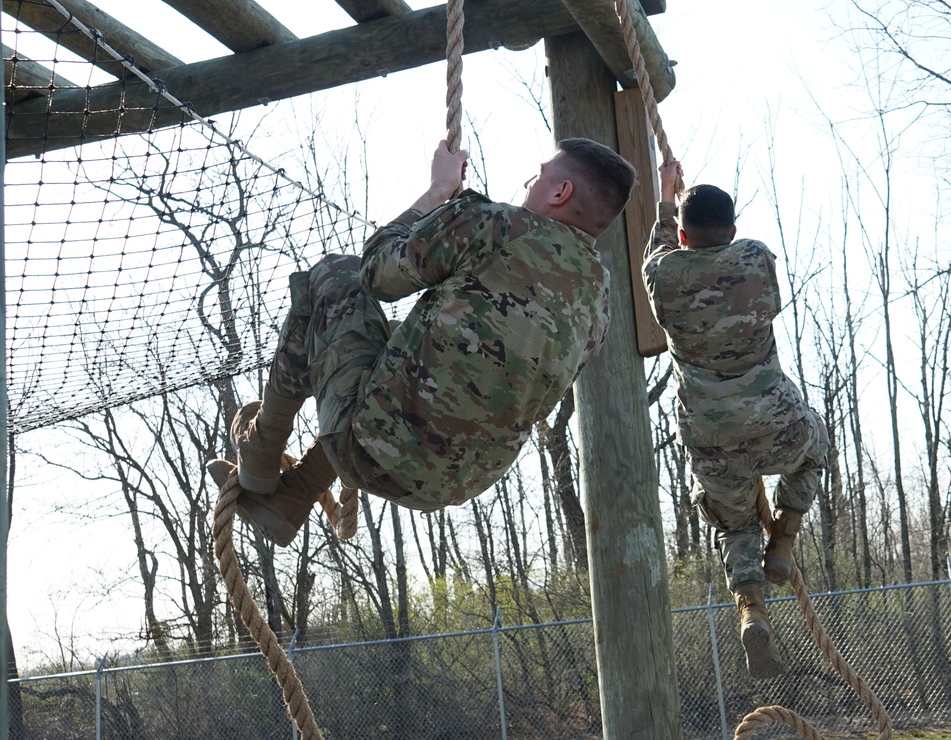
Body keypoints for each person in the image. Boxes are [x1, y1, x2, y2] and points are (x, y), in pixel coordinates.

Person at [209, 138, 636, 549]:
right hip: (448, 485)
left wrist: (438, 191)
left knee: (336, 275)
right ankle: (297, 491)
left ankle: (261, 454)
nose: (529, 183)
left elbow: (376, 273)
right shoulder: (600, 300)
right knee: (401, 341)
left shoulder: (499, 225)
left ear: (561, 191)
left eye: (540, 176)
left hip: (369, 447)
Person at [642, 161, 828, 680]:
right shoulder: (755, 257)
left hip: (713, 437)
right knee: (816, 445)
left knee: (736, 523)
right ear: (734, 229)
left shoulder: (663, 276)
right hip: (777, 421)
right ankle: (786, 538)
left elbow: (657, 249)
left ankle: (751, 609)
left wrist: (665, 197)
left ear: (682, 233)